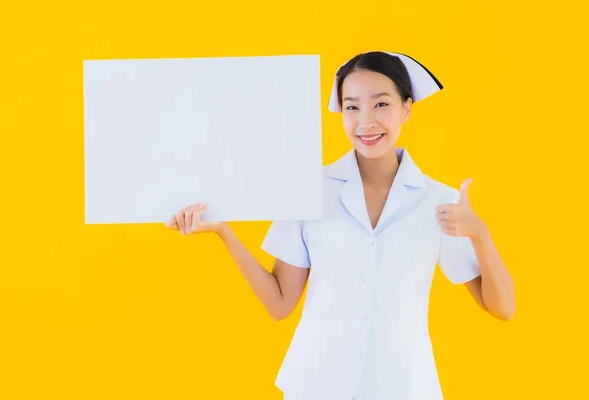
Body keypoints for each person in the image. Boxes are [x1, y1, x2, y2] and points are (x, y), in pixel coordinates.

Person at [165, 50, 516, 400]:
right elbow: (280, 304)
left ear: (407, 107)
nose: (365, 122)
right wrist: (224, 232)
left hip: (403, 386)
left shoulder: (438, 200)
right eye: (352, 107)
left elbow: (503, 308)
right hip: (316, 385)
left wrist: (479, 233)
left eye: (381, 105)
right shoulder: (309, 190)